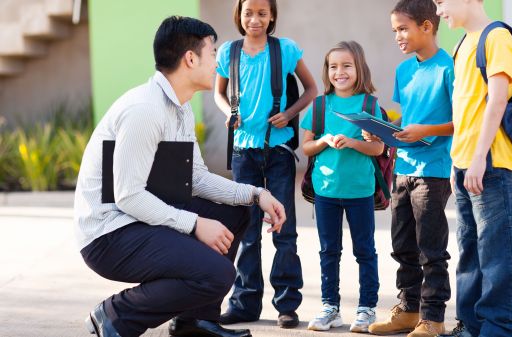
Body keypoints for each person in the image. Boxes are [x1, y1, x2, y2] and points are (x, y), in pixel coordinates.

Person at [74, 16, 287, 337]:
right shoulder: (145, 109)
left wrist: (257, 194)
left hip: (137, 219)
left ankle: (195, 321)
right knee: (217, 274)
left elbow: (196, 178)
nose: (218, 62)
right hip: (108, 234)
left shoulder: (179, 107)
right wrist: (195, 224)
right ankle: (116, 315)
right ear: (190, 58)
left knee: (235, 211)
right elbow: (127, 196)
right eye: (213, 53)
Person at [214, 0, 317, 329]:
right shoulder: (228, 52)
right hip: (244, 152)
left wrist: (288, 113)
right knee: (246, 231)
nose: (254, 19)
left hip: (278, 152)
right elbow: (219, 94)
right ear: (239, 15)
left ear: (272, 15)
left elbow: (312, 88)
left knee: (283, 229)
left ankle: (287, 303)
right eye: (248, 13)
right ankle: (245, 302)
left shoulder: (284, 49)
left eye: (261, 13)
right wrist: (229, 112)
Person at [434, 0, 512, 336]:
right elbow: (464, 109)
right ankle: (470, 325)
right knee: (469, 249)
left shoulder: (495, 37)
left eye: (442, 2)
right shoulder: (461, 43)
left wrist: (479, 158)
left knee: (496, 252)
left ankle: (498, 328)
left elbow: (497, 100)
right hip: (465, 163)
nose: (439, 10)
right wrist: (460, 162)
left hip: (491, 164)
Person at [367, 1, 454, 336]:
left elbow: (462, 121)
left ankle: (433, 318)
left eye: (403, 29)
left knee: (430, 249)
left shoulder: (449, 67)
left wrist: (424, 131)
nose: (398, 37)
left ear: (427, 26)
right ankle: (408, 310)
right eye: (394, 31)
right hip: (403, 167)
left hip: (434, 169)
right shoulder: (405, 70)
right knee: (403, 245)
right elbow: (406, 118)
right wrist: (381, 127)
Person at [301, 41, 384, 333]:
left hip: (360, 190)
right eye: (333, 66)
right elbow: (307, 147)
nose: (340, 72)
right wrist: (324, 140)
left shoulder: (370, 105)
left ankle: (367, 309)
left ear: (359, 68)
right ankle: (329, 307)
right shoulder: (320, 105)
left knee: (365, 251)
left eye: (346, 65)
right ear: (327, 71)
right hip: (326, 192)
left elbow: (378, 149)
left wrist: (354, 142)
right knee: (329, 251)